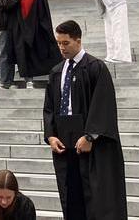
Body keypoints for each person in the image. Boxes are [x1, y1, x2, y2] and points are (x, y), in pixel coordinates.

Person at [43, 20, 128, 220]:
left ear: (78, 41)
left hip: (92, 147)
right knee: (72, 196)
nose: (61, 47)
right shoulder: (57, 72)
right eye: (59, 43)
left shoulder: (95, 68)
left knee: (97, 199)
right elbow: (49, 107)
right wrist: (51, 136)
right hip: (65, 144)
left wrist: (90, 136)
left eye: (66, 43)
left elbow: (103, 105)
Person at [10, 0, 62, 89]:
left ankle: (29, 81)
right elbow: (43, 9)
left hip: (20, 28)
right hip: (37, 26)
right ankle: (53, 77)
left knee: (25, 53)